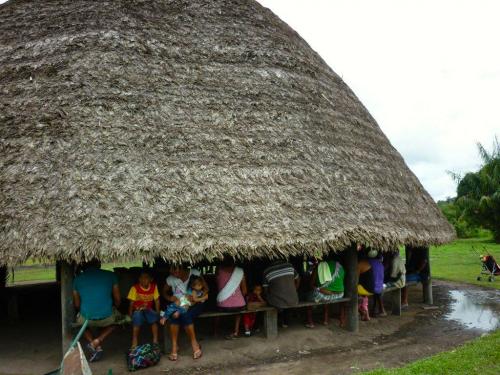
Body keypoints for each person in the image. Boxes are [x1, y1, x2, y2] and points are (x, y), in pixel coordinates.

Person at [73, 259, 122, 362]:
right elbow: (118, 300)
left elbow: (77, 304)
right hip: (107, 316)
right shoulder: (111, 275)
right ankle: (97, 341)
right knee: (120, 320)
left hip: (86, 318)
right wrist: (114, 307)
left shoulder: (77, 279)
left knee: (79, 324)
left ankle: (93, 343)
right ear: (99, 264)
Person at [162, 265, 208, 361]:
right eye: (171, 270)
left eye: (175, 269)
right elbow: (164, 292)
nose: (172, 272)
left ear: (182, 267)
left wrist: (196, 298)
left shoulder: (195, 273)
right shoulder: (171, 279)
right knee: (176, 315)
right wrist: (170, 298)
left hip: (196, 304)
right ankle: (175, 346)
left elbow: (206, 288)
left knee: (184, 314)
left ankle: (193, 344)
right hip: (180, 303)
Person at [306, 258, 345, 328]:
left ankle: (310, 322)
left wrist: (317, 288)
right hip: (340, 295)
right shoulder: (340, 266)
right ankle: (327, 319)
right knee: (325, 294)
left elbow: (311, 284)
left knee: (308, 296)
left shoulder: (319, 266)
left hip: (325, 296)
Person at [127, 270, 160, 348]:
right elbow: (131, 303)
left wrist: (157, 312)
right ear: (139, 279)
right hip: (138, 310)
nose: (143, 279)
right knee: (137, 317)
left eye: (146, 278)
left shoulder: (154, 287)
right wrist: (130, 314)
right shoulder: (135, 288)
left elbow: (157, 301)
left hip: (148, 310)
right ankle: (134, 340)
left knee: (154, 320)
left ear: (151, 279)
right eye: (141, 278)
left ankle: (155, 340)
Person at [216, 258, 247, 339]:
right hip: (239, 306)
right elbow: (244, 291)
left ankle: (215, 330)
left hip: (223, 306)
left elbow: (218, 286)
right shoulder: (240, 272)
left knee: (217, 306)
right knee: (238, 312)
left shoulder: (219, 271)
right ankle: (236, 331)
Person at [262, 260, 300, 327]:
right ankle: (285, 321)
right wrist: (295, 289)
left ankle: (279, 315)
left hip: (277, 303)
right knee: (285, 299)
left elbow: (265, 290)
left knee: (270, 298)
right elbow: (298, 279)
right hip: (294, 300)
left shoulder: (267, 271)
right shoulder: (289, 266)